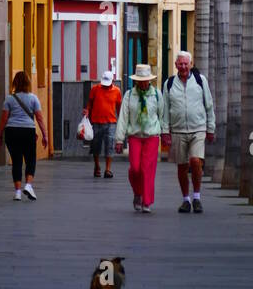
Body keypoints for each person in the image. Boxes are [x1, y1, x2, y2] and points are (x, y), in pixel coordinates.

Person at [160, 51, 216, 213]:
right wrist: (165, 131)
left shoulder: (200, 80)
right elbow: (165, 109)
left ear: (191, 64)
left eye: (186, 64)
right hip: (177, 130)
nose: (183, 67)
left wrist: (210, 128)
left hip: (198, 128)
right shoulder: (169, 83)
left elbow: (209, 104)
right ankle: (186, 199)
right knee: (182, 166)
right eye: (181, 64)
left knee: (195, 161)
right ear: (176, 65)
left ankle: (197, 197)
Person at [115, 63, 163, 213]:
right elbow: (123, 117)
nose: (143, 83)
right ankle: (138, 193)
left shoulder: (156, 94)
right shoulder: (129, 95)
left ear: (149, 80)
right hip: (135, 136)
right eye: (140, 80)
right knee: (135, 169)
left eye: (146, 80)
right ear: (136, 80)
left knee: (146, 170)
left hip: (151, 136)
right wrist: (119, 139)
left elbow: (162, 115)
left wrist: (162, 131)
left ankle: (146, 202)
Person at [0, 71, 48, 201]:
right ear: (28, 83)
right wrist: (45, 135)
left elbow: (4, 119)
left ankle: (18, 192)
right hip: (27, 131)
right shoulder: (33, 98)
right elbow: (40, 118)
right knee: (30, 159)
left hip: (11, 132)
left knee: (16, 161)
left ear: (15, 83)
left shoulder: (9, 99)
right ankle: (29, 185)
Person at [87, 69, 122, 179]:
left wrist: (121, 119)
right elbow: (90, 103)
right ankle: (97, 166)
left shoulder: (117, 91)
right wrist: (87, 111)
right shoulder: (95, 89)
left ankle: (108, 169)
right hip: (96, 121)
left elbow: (119, 107)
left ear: (112, 81)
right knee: (96, 146)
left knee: (109, 145)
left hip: (111, 122)